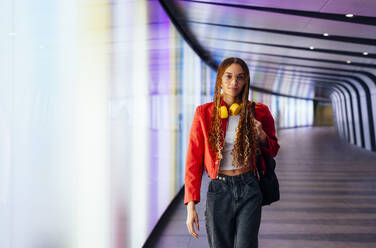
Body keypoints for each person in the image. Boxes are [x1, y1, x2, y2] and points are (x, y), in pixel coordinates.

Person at [184, 57, 280, 248]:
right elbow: (193, 161)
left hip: (249, 186)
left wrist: (261, 135)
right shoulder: (204, 113)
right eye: (228, 77)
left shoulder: (259, 111)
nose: (234, 83)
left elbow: (273, 149)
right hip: (219, 189)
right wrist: (191, 206)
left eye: (239, 78)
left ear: (246, 81)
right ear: (220, 79)